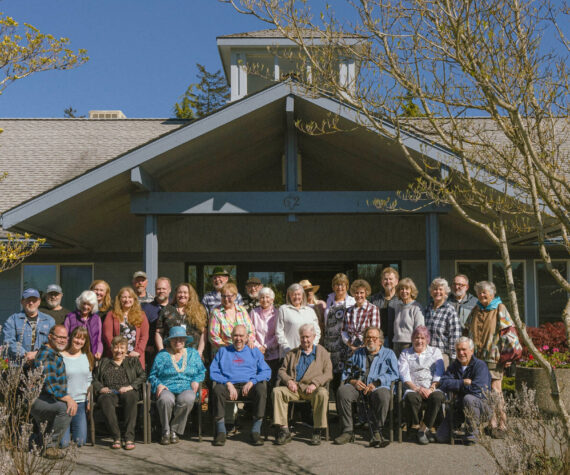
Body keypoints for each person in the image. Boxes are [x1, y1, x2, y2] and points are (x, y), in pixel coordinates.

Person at [464, 280, 519, 439]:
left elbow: (510, 333)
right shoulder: (476, 309)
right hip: (478, 357)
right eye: (479, 292)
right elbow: (467, 329)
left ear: (492, 293)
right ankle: (491, 422)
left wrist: (509, 356)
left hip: (494, 356)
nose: (482, 295)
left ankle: (502, 423)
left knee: (496, 389)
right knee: (484, 390)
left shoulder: (499, 308)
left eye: (485, 292)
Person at [335, 326, 399, 447]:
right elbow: (346, 371)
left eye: (374, 338)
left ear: (380, 340)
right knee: (343, 391)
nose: (371, 340)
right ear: (364, 340)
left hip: (378, 387)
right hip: (358, 386)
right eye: (368, 337)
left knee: (383, 395)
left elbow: (395, 374)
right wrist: (353, 381)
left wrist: (377, 383)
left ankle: (377, 431)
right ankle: (347, 431)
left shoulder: (389, 354)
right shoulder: (358, 353)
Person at [209, 325, 271, 447]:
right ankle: (221, 431)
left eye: (241, 336)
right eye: (236, 335)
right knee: (217, 389)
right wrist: (227, 383)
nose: (238, 339)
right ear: (231, 337)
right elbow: (213, 372)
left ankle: (256, 431)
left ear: (247, 337)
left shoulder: (254, 352)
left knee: (261, 389)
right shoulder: (223, 351)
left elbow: (266, 371)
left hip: (248, 386)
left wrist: (252, 381)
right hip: (229, 386)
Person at [273, 324, 332, 446]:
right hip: (295, 389)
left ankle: (317, 430)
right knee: (277, 391)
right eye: (302, 337)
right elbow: (282, 371)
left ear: (314, 337)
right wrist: (289, 381)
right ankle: (284, 430)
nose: (305, 340)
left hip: (313, 390)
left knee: (322, 393)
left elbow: (328, 373)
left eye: (307, 337)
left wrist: (315, 384)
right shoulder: (292, 353)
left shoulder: (322, 352)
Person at [149, 326, 206, 445]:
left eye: (181, 339)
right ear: (169, 341)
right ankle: (165, 431)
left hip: (187, 386)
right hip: (167, 386)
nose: (178, 342)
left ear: (185, 340)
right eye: (174, 339)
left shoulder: (193, 354)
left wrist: (196, 380)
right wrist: (158, 384)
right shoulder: (162, 355)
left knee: (188, 398)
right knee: (165, 399)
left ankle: (174, 430)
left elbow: (202, 371)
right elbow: (152, 375)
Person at [93, 335, 146, 450]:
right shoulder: (103, 362)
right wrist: (100, 388)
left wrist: (130, 386)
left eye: (122, 348)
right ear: (111, 349)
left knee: (131, 396)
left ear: (126, 349)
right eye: (116, 348)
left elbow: (143, 375)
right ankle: (116, 436)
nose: (119, 351)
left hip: (127, 390)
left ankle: (129, 437)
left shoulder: (133, 361)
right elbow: (94, 379)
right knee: (104, 400)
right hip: (109, 392)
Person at [30, 325, 76, 459]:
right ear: (50, 337)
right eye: (59, 337)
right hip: (38, 400)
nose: (62, 340)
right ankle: (50, 447)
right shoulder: (47, 355)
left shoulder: (54, 354)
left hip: (47, 399)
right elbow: (51, 385)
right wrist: (68, 399)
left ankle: (38, 442)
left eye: (65, 337)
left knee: (62, 407)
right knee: (65, 408)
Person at [436, 337, 491, 445]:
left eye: (464, 349)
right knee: (441, 437)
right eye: (458, 350)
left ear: (471, 350)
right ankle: (460, 434)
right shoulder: (454, 366)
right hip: (459, 406)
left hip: (481, 406)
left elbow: (478, 389)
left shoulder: (480, 366)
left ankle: (472, 434)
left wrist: (456, 386)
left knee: (469, 398)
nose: (461, 353)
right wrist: (462, 382)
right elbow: (443, 383)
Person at [398, 325, 444, 444]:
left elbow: (439, 372)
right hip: (414, 387)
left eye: (423, 338)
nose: (419, 341)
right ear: (412, 339)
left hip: (432, 387)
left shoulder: (435, 351)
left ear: (427, 339)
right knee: (411, 398)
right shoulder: (405, 353)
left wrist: (431, 388)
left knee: (437, 397)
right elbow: (404, 374)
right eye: (417, 337)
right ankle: (418, 427)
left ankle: (423, 429)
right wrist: (417, 388)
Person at [60, 326, 94, 448]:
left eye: (82, 339)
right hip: (64, 403)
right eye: (76, 337)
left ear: (85, 342)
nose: (79, 341)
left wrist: (89, 400)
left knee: (80, 442)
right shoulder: (61, 356)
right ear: (71, 337)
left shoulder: (87, 356)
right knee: (63, 444)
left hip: (80, 404)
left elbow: (89, 381)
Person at [3, 288, 55, 363]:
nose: (31, 303)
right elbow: (8, 341)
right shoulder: (12, 320)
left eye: (34, 300)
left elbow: (52, 342)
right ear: (22, 302)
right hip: (18, 365)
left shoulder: (49, 321)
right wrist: (25, 354)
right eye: (28, 300)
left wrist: (37, 354)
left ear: (39, 302)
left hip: (42, 363)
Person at [102, 287, 149, 369]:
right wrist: (117, 351)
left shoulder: (141, 315)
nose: (127, 300)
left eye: (130, 297)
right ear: (119, 299)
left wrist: (138, 351)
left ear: (134, 299)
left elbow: (144, 336)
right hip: (116, 356)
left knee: (136, 381)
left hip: (134, 357)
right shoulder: (111, 314)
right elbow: (107, 335)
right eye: (124, 297)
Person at [156, 283, 207, 358]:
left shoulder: (199, 310)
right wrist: (161, 351)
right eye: (180, 292)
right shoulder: (167, 310)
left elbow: (204, 332)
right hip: (171, 355)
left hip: (193, 355)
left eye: (185, 292)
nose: (182, 295)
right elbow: (158, 332)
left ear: (190, 295)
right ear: (176, 294)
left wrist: (200, 351)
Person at [323, 273, 355, 392]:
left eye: (342, 285)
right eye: (337, 285)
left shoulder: (351, 301)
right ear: (333, 286)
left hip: (345, 343)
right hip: (330, 344)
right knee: (332, 374)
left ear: (347, 286)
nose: (339, 288)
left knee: (346, 373)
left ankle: (346, 406)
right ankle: (335, 402)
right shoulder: (329, 300)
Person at [276, 283, 321, 357]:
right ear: (289, 296)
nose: (296, 297)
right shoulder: (283, 309)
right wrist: (287, 349)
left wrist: (312, 346)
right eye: (294, 294)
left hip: (307, 354)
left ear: (303, 296)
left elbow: (317, 331)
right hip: (289, 354)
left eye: (299, 294)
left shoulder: (310, 311)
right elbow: (279, 332)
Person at [424, 277, 461, 367]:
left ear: (446, 293)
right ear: (431, 292)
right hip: (427, 354)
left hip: (442, 355)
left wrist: (454, 357)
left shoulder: (450, 310)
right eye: (435, 289)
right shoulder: (427, 309)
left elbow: (455, 335)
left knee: (441, 380)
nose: (437, 292)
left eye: (441, 289)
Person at [209, 282, 255, 351]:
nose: (226, 299)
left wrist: (250, 341)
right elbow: (213, 337)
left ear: (235, 296)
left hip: (244, 350)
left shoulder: (242, 310)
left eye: (229, 296)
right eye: (223, 296)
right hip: (225, 351)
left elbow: (251, 330)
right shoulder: (216, 313)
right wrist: (229, 348)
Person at [250, 287, 280, 386]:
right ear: (259, 299)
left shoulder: (277, 313)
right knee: (258, 383)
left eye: (267, 297)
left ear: (272, 299)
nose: (265, 300)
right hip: (256, 353)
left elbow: (278, 334)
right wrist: (258, 347)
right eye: (262, 297)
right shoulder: (253, 312)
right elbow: (250, 331)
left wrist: (265, 347)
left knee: (271, 383)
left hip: (273, 354)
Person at [142, 277, 172, 370]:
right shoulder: (146, 308)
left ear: (169, 290)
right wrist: (146, 346)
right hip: (152, 352)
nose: (161, 291)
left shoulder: (175, 306)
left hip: (174, 351)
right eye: (158, 289)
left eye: (164, 288)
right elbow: (141, 330)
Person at [342, 279, 380, 353]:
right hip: (351, 349)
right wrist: (351, 346)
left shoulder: (373, 309)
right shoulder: (348, 311)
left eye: (361, 293)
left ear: (366, 293)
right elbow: (344, 331)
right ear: (353, 294)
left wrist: (363, 347)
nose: (359, 295)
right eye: (356, 293)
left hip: (367, 348)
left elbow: (375, 331)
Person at [63, 290, 103, 360]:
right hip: (73, 356)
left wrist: (99, 351)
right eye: (83, 303)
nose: (85, 307)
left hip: (91, 356)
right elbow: (65, 338)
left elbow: (99, 340)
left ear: (93, 306)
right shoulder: (70, 317)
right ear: (80, 303)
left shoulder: (97, 319)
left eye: (89, 305)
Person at [392, 277, 424, 358]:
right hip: (396, 343)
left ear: (411, 291)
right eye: (401, 289)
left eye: (407, 289)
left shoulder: (416, 307)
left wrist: (416, 345)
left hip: (409, 344)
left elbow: (419, 329)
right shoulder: (398, 307)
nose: (404, 291)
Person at [369, 267, 401, 348]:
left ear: (397, 281)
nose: (388, 282)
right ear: (381, 282)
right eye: (385, 279)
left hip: (397, 339)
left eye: (390, 279)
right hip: (379, 340)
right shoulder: (374, 299)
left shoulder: (401, 299)